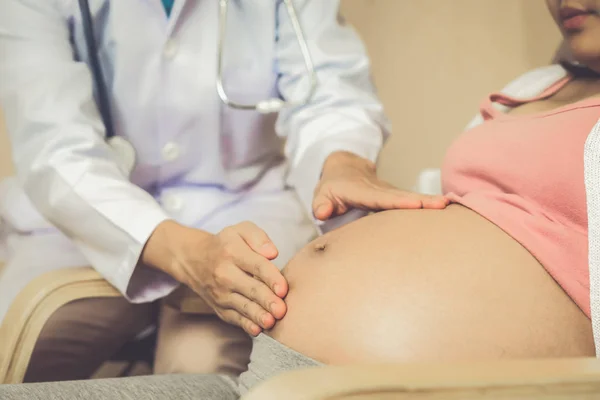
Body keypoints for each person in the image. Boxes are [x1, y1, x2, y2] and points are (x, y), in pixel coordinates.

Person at [3, 0, 600, 397]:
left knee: (199, 353)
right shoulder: (532, 93)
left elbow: (327, 91)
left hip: (259, 244)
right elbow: (54, 146)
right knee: (21, 348)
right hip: (82, 220)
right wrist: (183, 252)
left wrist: (341, 161)